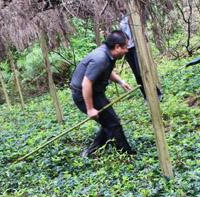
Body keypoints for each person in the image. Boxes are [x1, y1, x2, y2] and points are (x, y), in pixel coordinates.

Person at [70, 30, 136, 158]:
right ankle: (127, 154)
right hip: (83, 95)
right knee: (113, 123)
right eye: (125, 47)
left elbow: (105, 70)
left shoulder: (107, 54)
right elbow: (86, 84)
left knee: (109, 121)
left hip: (96, 93)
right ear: (117, 47)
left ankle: (91, 151)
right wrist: (90, 109)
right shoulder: (100, 58)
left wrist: (120, 81)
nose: (127, 50)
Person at [119, 6, 163, 101]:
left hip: (136, 46)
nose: (120, 6)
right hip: (127, 48)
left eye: (121, 4)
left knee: (141, 71)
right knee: (136, 74)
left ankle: (156, 92)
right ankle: (146, 96)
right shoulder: (120, 17)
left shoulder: (132, 13)